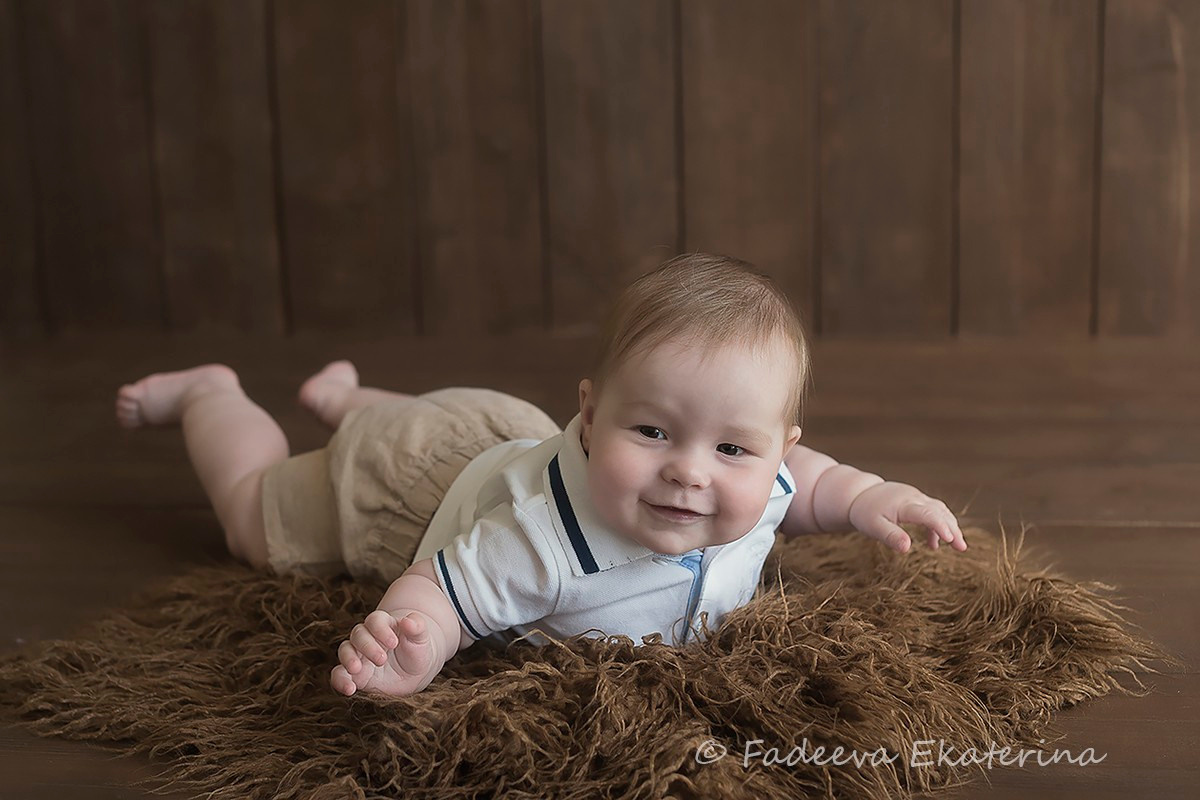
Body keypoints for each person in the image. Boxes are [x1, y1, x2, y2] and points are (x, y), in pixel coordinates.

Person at [115, 253, 966, 699]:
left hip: (501, 434)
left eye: (733, 451)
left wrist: (870, 497)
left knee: (436, 423)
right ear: (590, 418)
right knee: (252, 518)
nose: (688, 473)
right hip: (406, 485)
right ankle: (212, 394)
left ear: (776, 449)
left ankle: (343, 397)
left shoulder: (764, 477)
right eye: (653, 431)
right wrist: (417, 643)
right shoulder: (541, 545)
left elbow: (810, 483)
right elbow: (441, 589)